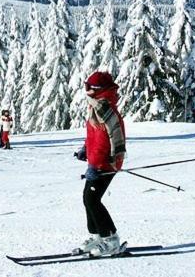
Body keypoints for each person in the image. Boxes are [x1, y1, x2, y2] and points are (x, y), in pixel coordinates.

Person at [74, 71, 126, 257]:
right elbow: (95, 135)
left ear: (98, 90)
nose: (86, 90)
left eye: (89, 87)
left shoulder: (105, 109)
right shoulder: (97, 106)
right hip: (97, 163)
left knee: (92, 200)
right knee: (88, 199)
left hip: (105, 164)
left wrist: (95, 165)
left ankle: (111, 240)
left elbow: (110, 140)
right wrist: (84, 149)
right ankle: (98, 236)